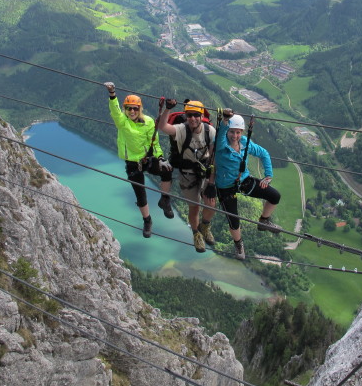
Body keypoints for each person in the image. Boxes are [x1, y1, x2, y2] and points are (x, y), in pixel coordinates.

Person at [104, 82, 174, 238]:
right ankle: (147, 220)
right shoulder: (122, 122)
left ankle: (165, 199)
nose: (132, 111)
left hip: (146, 160)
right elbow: (115, 112)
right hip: (132, 164)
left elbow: (153, 142)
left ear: (140, 109)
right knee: (140, 195)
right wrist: (112, 94)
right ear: (125, 109)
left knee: (167, 170)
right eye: (129, 108)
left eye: (135, 108)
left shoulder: (148, 122)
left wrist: (161, 158)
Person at [215, 109, 281, 260]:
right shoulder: (221, 144)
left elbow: (263, 153)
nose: (235, 136)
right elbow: (221, 133)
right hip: (225, 186)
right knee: (233, 219)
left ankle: (263, 221)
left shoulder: (245, 143)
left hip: (243, 181)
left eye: (238, 132)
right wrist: (225, 120)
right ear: (228, 131)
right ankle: (238, 244)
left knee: (274, 196)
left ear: (242, 132)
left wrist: (268, 175)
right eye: (232, 132)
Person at [158, 99, 217, 253]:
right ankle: (196, 233)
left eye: (196, 115)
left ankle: (205, 226)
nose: (192, 118)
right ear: (186, 116)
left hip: (204, 172)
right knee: (195, 207)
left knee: (211, 204)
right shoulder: (182, 129)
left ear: (201, 115)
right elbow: (163, 127)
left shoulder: (209, 131)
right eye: (189, 115)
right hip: (187, 175)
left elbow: (213, 157)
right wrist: (167, 109)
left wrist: (211, 183)